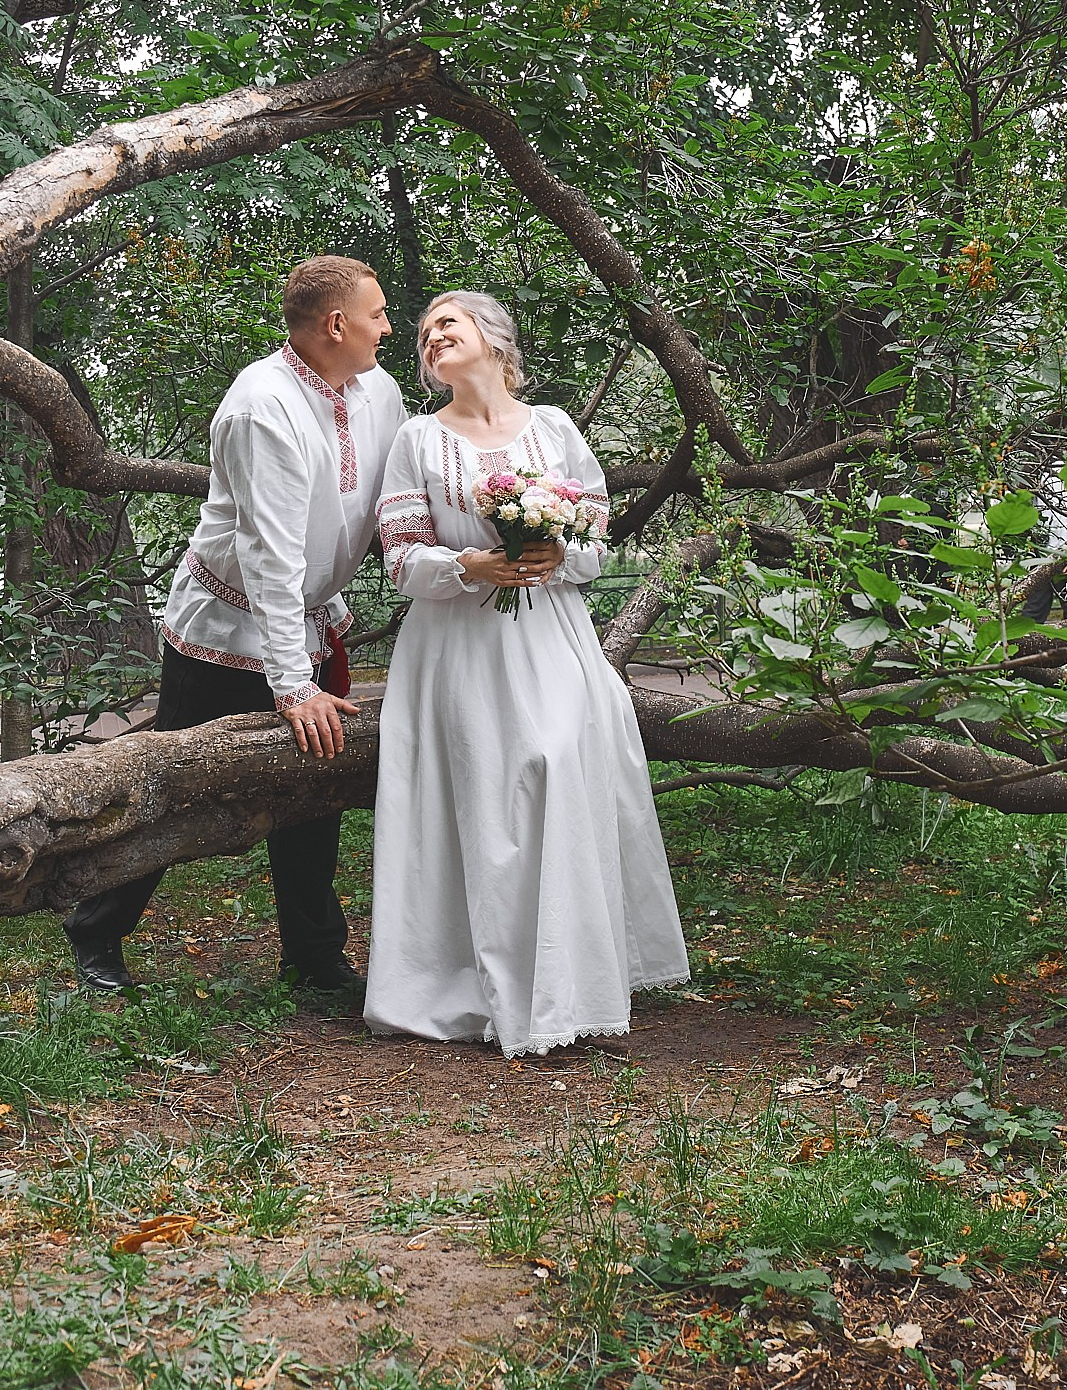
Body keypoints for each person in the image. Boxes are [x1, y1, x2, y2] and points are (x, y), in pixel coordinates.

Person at [62, 255, 406, 1008]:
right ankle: (96, 929)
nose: (390, 325)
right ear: (336, 324)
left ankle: (313, 956)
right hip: (226, 628)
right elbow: (272, 556)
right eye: (378, 313)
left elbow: (395, 499)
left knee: (314, 792)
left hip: (309, 623)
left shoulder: (379, 390)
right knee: (178, 788)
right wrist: (293, 686)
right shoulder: (261, 407)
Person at [364, 291, 688, 1056]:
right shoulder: (416, 439)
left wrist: (557, 555)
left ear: (494, 339)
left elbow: (596, 536)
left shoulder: (556, 428)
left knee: (557, 765)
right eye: (423, 333)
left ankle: (567, 982)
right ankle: (470, 987)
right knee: (481, 794)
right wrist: (470, 564)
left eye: (448, 323)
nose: (433, 336)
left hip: (550, 636)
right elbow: (401, 558)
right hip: (457, 647)